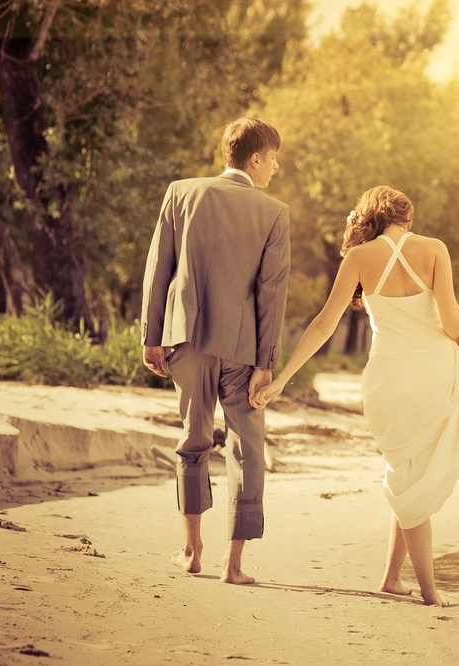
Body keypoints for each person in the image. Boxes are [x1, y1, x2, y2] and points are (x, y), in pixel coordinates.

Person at [252, 186, 459, 607]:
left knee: (406, 473)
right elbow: (453, 321)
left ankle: (389, 578)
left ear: (369, 219)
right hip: (433, 374)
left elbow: (324, 323)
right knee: (413, 479)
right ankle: (429, 591)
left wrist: (281, 380)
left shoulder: (358, 258)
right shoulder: (434, 249)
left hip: (387, 377)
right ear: (406, 217)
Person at [140, 117, 290, 585]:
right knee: (246, 450)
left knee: (193, 441)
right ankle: (234, 565)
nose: (277, 168)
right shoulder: (274, 212)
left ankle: (191, 551)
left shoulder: (180, 193)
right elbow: (272, 294)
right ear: (255, 158)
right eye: (274, 158)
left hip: (186, 340)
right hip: (244, 351)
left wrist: (151, 335)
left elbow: (158, 268)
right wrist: (267, 363)